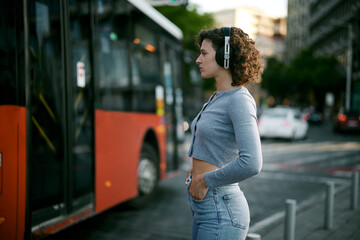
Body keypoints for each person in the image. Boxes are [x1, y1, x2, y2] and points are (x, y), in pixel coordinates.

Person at [185, 27, 263, 240]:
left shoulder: (239, 100)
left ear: (224, 55)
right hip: (205, 207)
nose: (198, 60)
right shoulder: (218, 97)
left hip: (221, 210)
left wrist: (205, 180)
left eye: (204, 53)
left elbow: (252, 163)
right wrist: (195, 170)